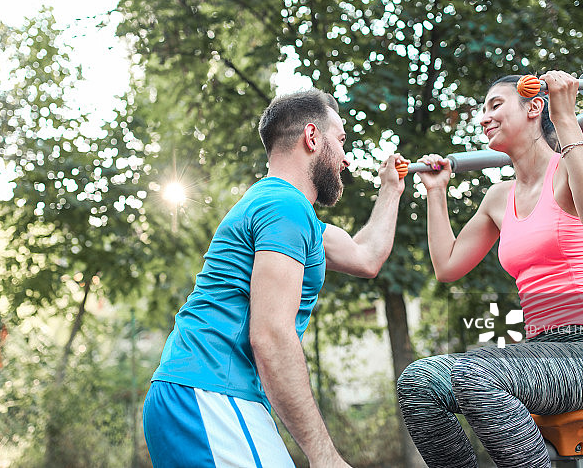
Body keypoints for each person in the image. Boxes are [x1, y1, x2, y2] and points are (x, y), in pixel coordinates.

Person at [397, 71, 583, 468]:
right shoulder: (498, 197)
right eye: (482, 111)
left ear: (535, 106)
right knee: (419, 383)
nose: (483, 118)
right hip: (545, 354)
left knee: (475, 373)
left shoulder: (574, 160)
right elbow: (448, 266)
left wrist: (566, 116)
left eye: (495, 106)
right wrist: (436, 194)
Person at [143, 89, 407, 468]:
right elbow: (271, 335)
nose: (346, 159)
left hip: (196, 392)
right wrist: (324, 456)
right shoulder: (284, 208)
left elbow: (366, 257)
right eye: (341, 140)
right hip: (211, 389)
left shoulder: (287, 213)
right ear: (312, 137)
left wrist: (391, 189)